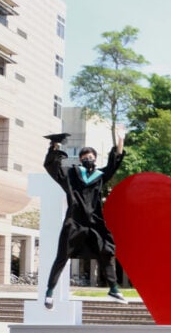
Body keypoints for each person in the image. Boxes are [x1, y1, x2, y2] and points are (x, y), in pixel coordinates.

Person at [43, 132, 128, 308]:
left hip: (95, 222)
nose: (88, 159)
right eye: (85, 157)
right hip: (74, 221)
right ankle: (49, 292)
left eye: (91, 156)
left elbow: (115, 162)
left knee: (107, 251)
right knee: (62, 256)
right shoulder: (72, 174)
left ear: (95, 159)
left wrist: (121, 139)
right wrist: (55, 146)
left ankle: (113, 288)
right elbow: (53, 168)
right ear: (81, 160)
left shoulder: (100, 176)